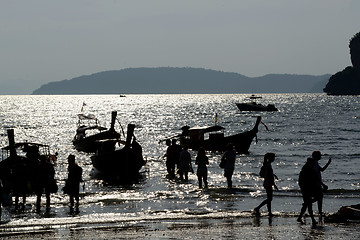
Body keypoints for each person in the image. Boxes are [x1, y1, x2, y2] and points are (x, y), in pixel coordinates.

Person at [297, 157, 319, 226]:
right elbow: (315, 178)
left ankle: (300, 217)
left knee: (308, 203)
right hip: (307, 189)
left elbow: (300, 181)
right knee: (309, 204)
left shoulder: (305, 170)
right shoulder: (307, 170)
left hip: (307, 189)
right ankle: (313, 220)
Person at [312, 150, 331, 216]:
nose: (320, 156)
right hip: (315, 184)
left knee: (319, 197)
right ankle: (319, 211)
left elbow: (322, 170)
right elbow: (314, 176)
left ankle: (319, 211)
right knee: (319, 197)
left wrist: (328, 163)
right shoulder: (314, 164)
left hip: (317, 183)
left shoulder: (316, 163)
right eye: (319, 155)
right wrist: (322, 184)